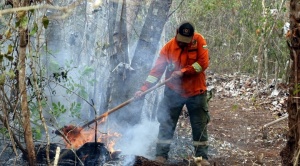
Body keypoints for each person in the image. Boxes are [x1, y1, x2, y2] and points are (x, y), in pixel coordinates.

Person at [135, 21, 210, 165]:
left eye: (186, 41)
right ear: (176, 33)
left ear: (192, 36)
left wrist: (183, 72)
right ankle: (161, 156)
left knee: (199, 125)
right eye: (181, 40)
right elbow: (155, 72)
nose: (183, 43)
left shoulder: (199, 40)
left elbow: (203, 63)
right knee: (166, 123)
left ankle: (202, 159)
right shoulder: (168, 48)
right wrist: (143, 89)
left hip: (196, 92)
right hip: (173, 92)